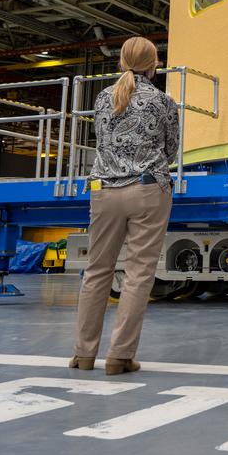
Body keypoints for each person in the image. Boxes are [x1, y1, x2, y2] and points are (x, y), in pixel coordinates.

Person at [72, 36, 179, 376]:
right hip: (147, 190)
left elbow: (100, 141)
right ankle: (119, 356)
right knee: (137, 275)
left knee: (97, 272)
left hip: (103, 191)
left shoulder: (103, 98)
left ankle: (83, 354)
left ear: (120, 62)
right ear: (154, 64)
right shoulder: (162, 101)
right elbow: (171, 149)